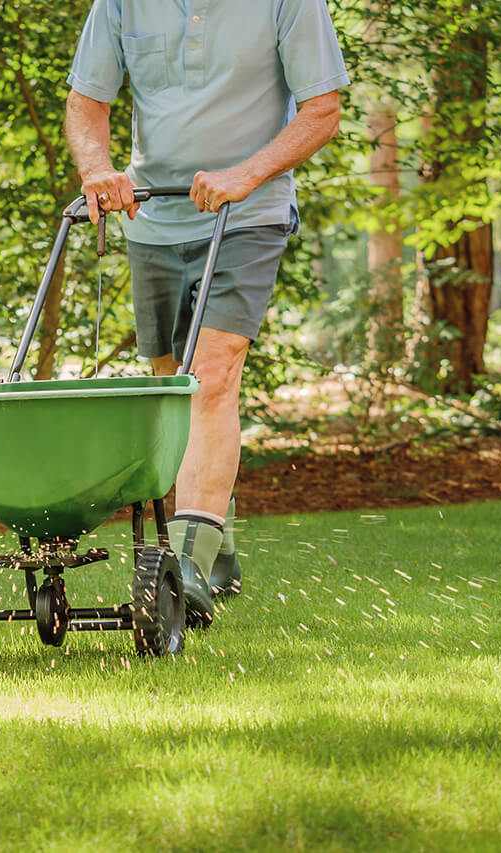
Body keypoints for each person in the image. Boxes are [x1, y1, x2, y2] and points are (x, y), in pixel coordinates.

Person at [64, 0, 349, 626]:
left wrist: (248, 174)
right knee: (170, 389)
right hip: (152, 215)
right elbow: (88, 100)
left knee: (211, 376)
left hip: (247, 214)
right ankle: (213, 542)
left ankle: (186, 568)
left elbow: (323, 110)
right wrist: (98, 169)